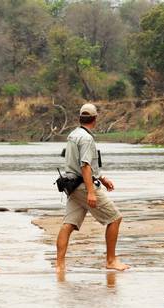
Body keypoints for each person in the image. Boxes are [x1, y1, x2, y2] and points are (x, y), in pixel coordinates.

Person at [55, 103, 130, 273]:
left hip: (71, 186)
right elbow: (85, 166)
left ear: (80, 118)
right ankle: (111, 261)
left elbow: (82, 164)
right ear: (95, 119)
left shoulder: (73, 135)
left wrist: (102, 178)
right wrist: (91, 192)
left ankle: (59, 266)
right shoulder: (87, 138)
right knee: (115, 218)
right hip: (83, 186)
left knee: (68, 224)